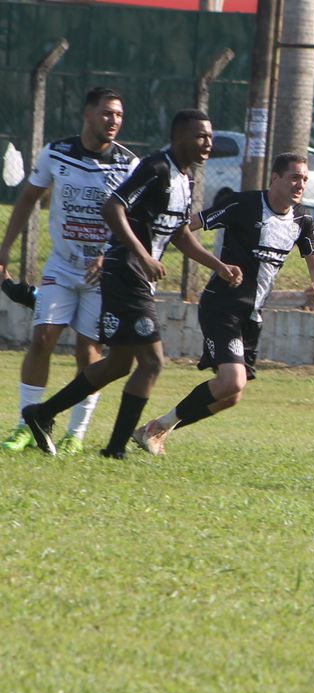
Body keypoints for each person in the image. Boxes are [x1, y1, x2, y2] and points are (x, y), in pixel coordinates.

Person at [20, 110, 242, 458]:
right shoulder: (156, 168)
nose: (209, 143)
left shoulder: (186, 179)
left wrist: (219, 266)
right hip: (124, 271)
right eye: (201, 136)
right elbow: (113, 208)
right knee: (152, 363)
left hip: (136, 275)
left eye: (210, 137)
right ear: (180, 136)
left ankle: (42, 413)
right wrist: (142, 254)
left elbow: (180, 233)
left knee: (118, 364)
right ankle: (115, 449)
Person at [133, 154, 314, 455]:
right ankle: (156, 429)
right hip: (221, 305)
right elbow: (184, 229)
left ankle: (156, 428)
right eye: (294, 177)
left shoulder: (302, 219)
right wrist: (217, 264)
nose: (300, 184)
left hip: (252, 316)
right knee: (232, 381)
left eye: (304, 179)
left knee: (231, 395)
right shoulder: (242, 204)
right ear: (274, 178)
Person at [0, 87, 136, 454]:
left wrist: (110, 256)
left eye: (119, 115)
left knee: (87, 351)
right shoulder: (56, 153)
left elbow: (136, 222)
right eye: (107, 113)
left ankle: (75, 433)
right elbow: (28, 197)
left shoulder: (128, 165)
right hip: (61, 265)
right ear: (88, 114)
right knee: (42, 337)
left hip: (102, 273)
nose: (114, 121)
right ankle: (25, 424)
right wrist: (5, 247)